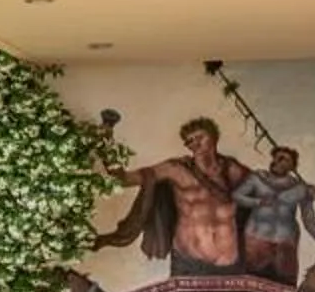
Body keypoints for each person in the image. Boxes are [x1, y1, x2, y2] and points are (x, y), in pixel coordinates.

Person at [96, 117, 254, 276]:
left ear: (214, 137)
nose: (195, 144)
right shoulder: (176, 169)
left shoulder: (231, 170)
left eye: (200, 137)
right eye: (190, 141)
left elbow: (264, 193)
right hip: (190, 262)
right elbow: (122, 179)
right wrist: (105, 143)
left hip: (230, 263)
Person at [231, 145, 315, 287]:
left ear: (292, 166)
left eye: (283, 159)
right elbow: (236, 196)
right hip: (256, 240)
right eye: (276, 157)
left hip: (285, 245)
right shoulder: (257, 178)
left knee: (284, 288)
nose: (276, 161)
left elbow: (309, 221)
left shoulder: (301, 189)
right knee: (250, 286)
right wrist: (258, 202)